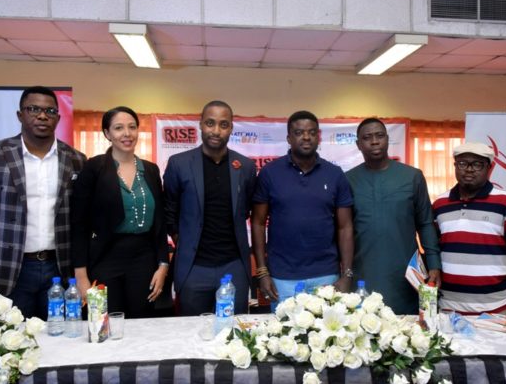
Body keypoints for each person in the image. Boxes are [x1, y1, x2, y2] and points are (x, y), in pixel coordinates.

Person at [0, 86, 86, 319]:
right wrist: (3, 235)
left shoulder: (76, 160)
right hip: (8, 267)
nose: (42, 116)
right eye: (34, 109)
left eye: (50, 111)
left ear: (58, 118)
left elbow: (80, 215)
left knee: (60, 340)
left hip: (58, 267)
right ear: (20, 115)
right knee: (6, 342)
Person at [71, 106, 169, 318]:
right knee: (105, 324)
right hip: (105, 258)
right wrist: (81, 276)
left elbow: (160, 223)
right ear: (107, 133)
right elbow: (78, 224)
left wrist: (163, 265)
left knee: (142, 323)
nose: (127, 133)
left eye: (132, 127)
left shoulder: (151, 170)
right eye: (118, 128)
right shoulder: (94, 168)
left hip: (144, 259)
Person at [252, 110, 354, 308]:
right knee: (283, 338)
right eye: (299, 132)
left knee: (329, 337)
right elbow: (257, 223)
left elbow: (346, 227)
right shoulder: (269, 173)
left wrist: (347, 274)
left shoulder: (335, 174)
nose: (306, 137)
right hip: (283, 278)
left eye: (312, 132)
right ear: (289, 138)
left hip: (327, 276)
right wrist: (262, 272)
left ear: (319, 136)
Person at [163, 100, 256, 316]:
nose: (216, 131)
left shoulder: (246, 167)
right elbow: (170, 211)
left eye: (223, 125)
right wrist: (184, 241)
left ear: (231, 128)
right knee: (192, 334)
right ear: (200, 125)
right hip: (194, 267)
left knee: (235, 335)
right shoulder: (179, 163)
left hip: (234, 266)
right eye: (210, 123)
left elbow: (246, 210)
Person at [433, 142, 506, 326]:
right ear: (455, 166)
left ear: (489, 168)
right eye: (462, 163)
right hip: (448, 311)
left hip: (499, 310)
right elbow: (432, 248)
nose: (469, 169)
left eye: (477, 164)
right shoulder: (439, 205)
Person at [346, 118, 440, 315]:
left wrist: (434, 264)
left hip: (404, 272)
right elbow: (341, 229)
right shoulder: (347, 180)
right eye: (367, 137)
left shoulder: (412, 177)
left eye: (379, 136)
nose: (374, 141)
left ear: (388, 140)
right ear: (358, 144)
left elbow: (425, 224)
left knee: (406, 333)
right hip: (363, 271)